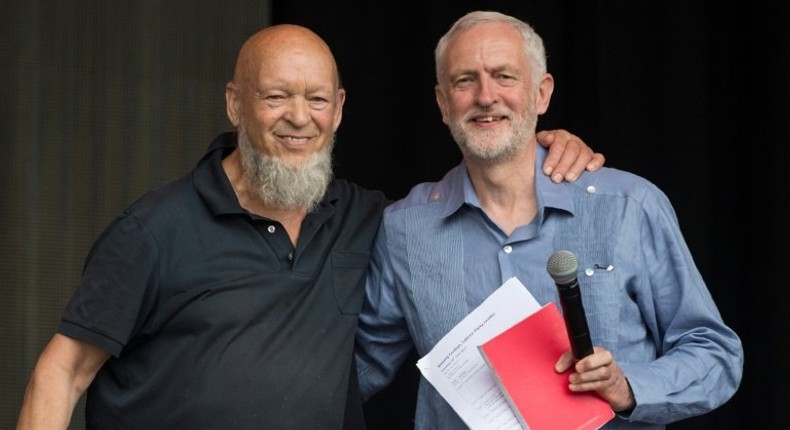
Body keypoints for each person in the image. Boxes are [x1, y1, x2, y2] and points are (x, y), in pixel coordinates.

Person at [15, 23, 604, 430]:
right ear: (235, 104)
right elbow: (61, 373)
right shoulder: (153, 230)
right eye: (276, 96)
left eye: (317, 99)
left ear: (340, 109)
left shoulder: (369, 219)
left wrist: (539, 145)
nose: (300, 117)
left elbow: (476, 182)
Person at [355, 10, 743, 430]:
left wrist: (628, 386)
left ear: (542, 93)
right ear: (443, 103)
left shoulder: (630, 206)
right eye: (465, 80)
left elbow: (715, 354)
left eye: (505, 76)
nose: (486, 96)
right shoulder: (404, 229)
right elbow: (356, 369)